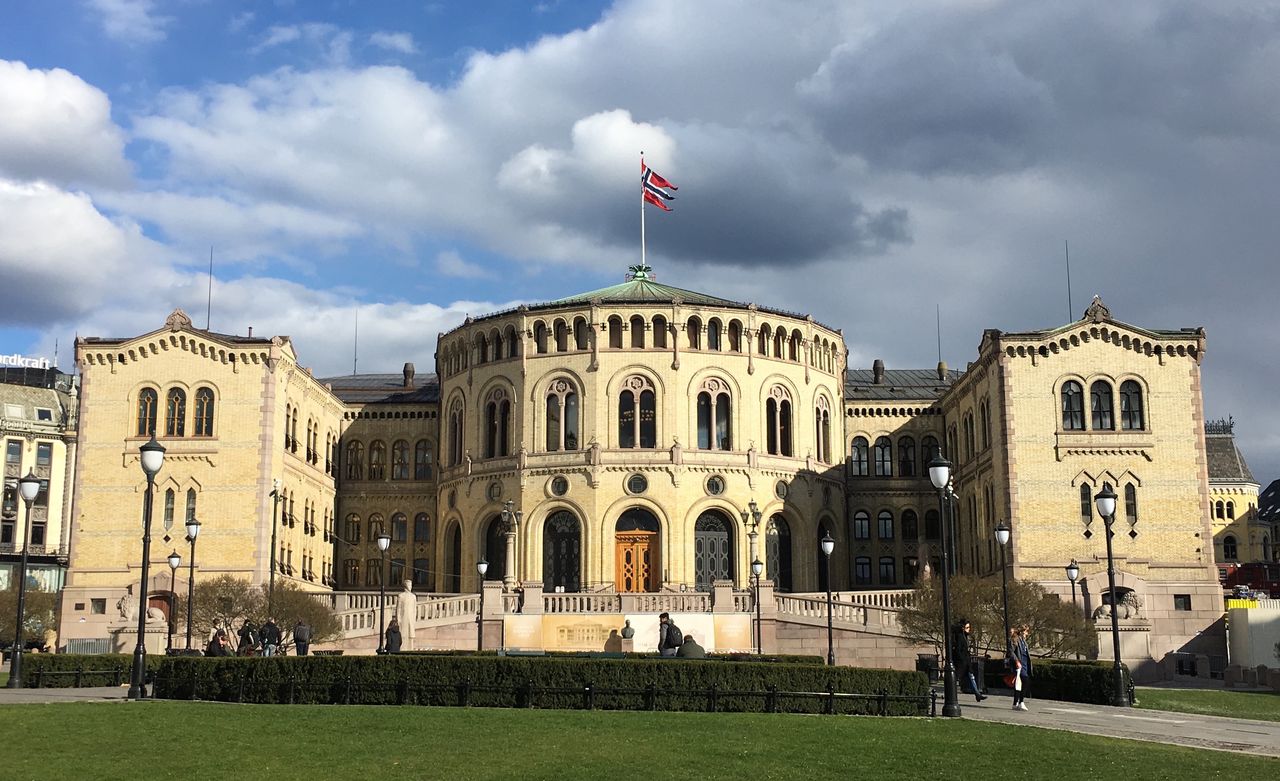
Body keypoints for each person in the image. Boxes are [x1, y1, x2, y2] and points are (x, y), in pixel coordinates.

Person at [950, 619, 986, 702]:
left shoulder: (965, 636)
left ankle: (977, 694)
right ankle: (951, 693)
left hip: (966, 662)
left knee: (971, 677)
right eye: (967, 627)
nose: (969, 629)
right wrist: (962, 659)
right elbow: (958, 650)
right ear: (963, 628)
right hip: (962, 662)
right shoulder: (960, 636)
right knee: (956, 678)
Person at [1008, 626, 1032, 711]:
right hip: (1019, 664)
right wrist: (1016, 661)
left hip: (1025, 664)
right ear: (1022, 632)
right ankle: (1021, 702)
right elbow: (1011, 651)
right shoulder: (1015, 640)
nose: (1027, 634)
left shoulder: (1024, 642)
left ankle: (1015, 703)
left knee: (1019, 684)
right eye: (1026, 632)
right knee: (1025, 681)